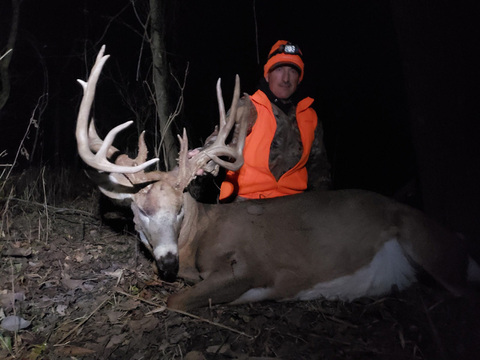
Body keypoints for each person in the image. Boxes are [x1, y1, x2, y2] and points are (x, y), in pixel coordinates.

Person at [219, 40, 331, 201]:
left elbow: (319, 168)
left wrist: (324, 203)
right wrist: (202, 155)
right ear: (267, 75)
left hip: (295, 203)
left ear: (299, 78)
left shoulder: (309, 117)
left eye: (292, 71)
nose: (286, 79)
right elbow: (221, 140)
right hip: (247, 202)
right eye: (279, 69)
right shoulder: (248, 108)